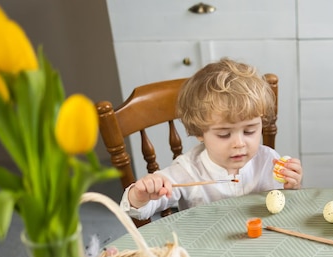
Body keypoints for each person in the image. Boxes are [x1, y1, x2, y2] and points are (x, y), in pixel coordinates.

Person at [121, 58, 303, 220]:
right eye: (224, 134)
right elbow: (138, 211)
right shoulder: (187, 170)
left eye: (249, 131)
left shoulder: (268, 161)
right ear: (200, 132)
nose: (239, 143)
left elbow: (284, 209)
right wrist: (140, 195)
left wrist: (291, 187)